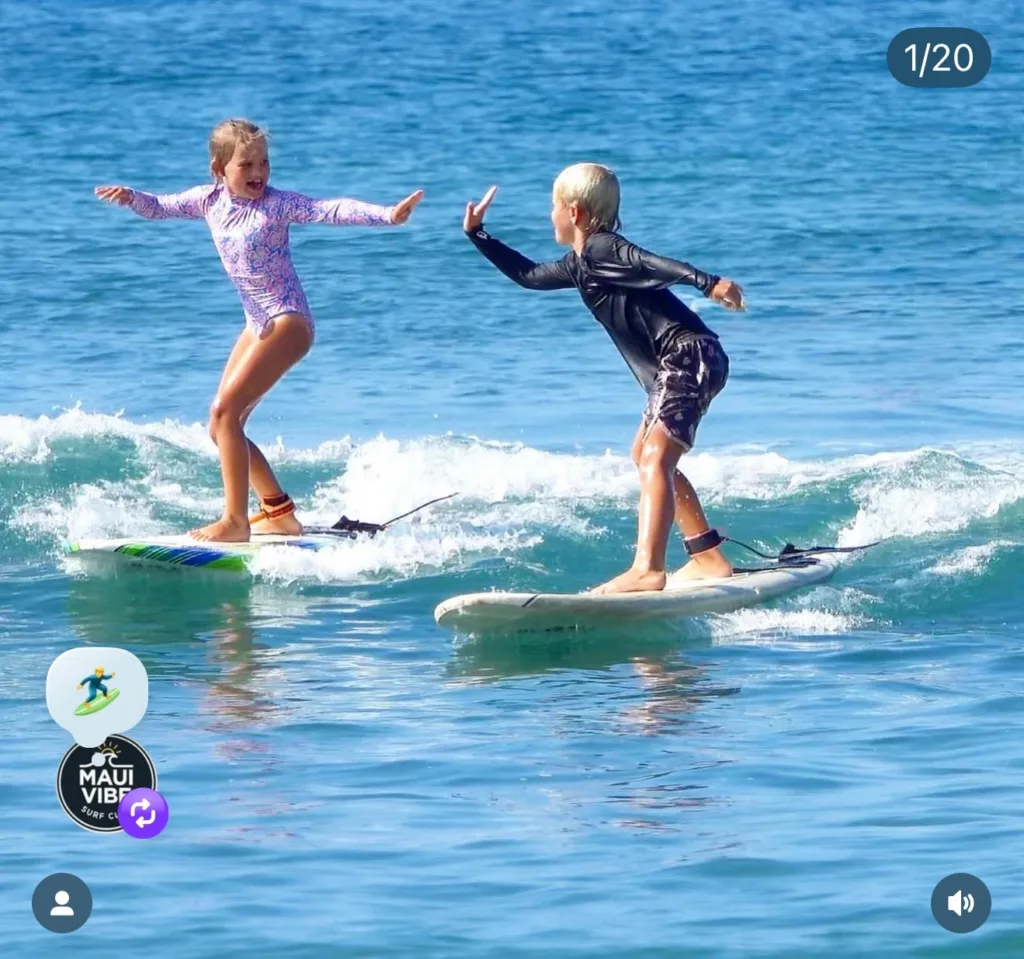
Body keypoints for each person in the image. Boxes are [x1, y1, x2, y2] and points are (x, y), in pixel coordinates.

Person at [96, 119, 423, 541]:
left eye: (264, 162)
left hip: (288, 321)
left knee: (224, 414)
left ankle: (235, 522)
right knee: (221, 427)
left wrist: (388, 215)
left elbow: (330, 209)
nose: (258, 172)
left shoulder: (277, 204)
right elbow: (160, 206)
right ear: (219, 168)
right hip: (257, 322)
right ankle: (279, 511)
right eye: (246, 163)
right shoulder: (208, 201)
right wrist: (132, 197)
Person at [463, 165, 744, 594]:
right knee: (647, 456)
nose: (550, 214)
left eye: (553, 206)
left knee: (655, 459)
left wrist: (707, 284)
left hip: (688, 356)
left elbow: (647, 260)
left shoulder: (602, 248)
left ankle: (648, 569)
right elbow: (529, 276)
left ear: (573, 212)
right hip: (680, 363)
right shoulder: (581, 262)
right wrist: (480, 235)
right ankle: (707, 556)